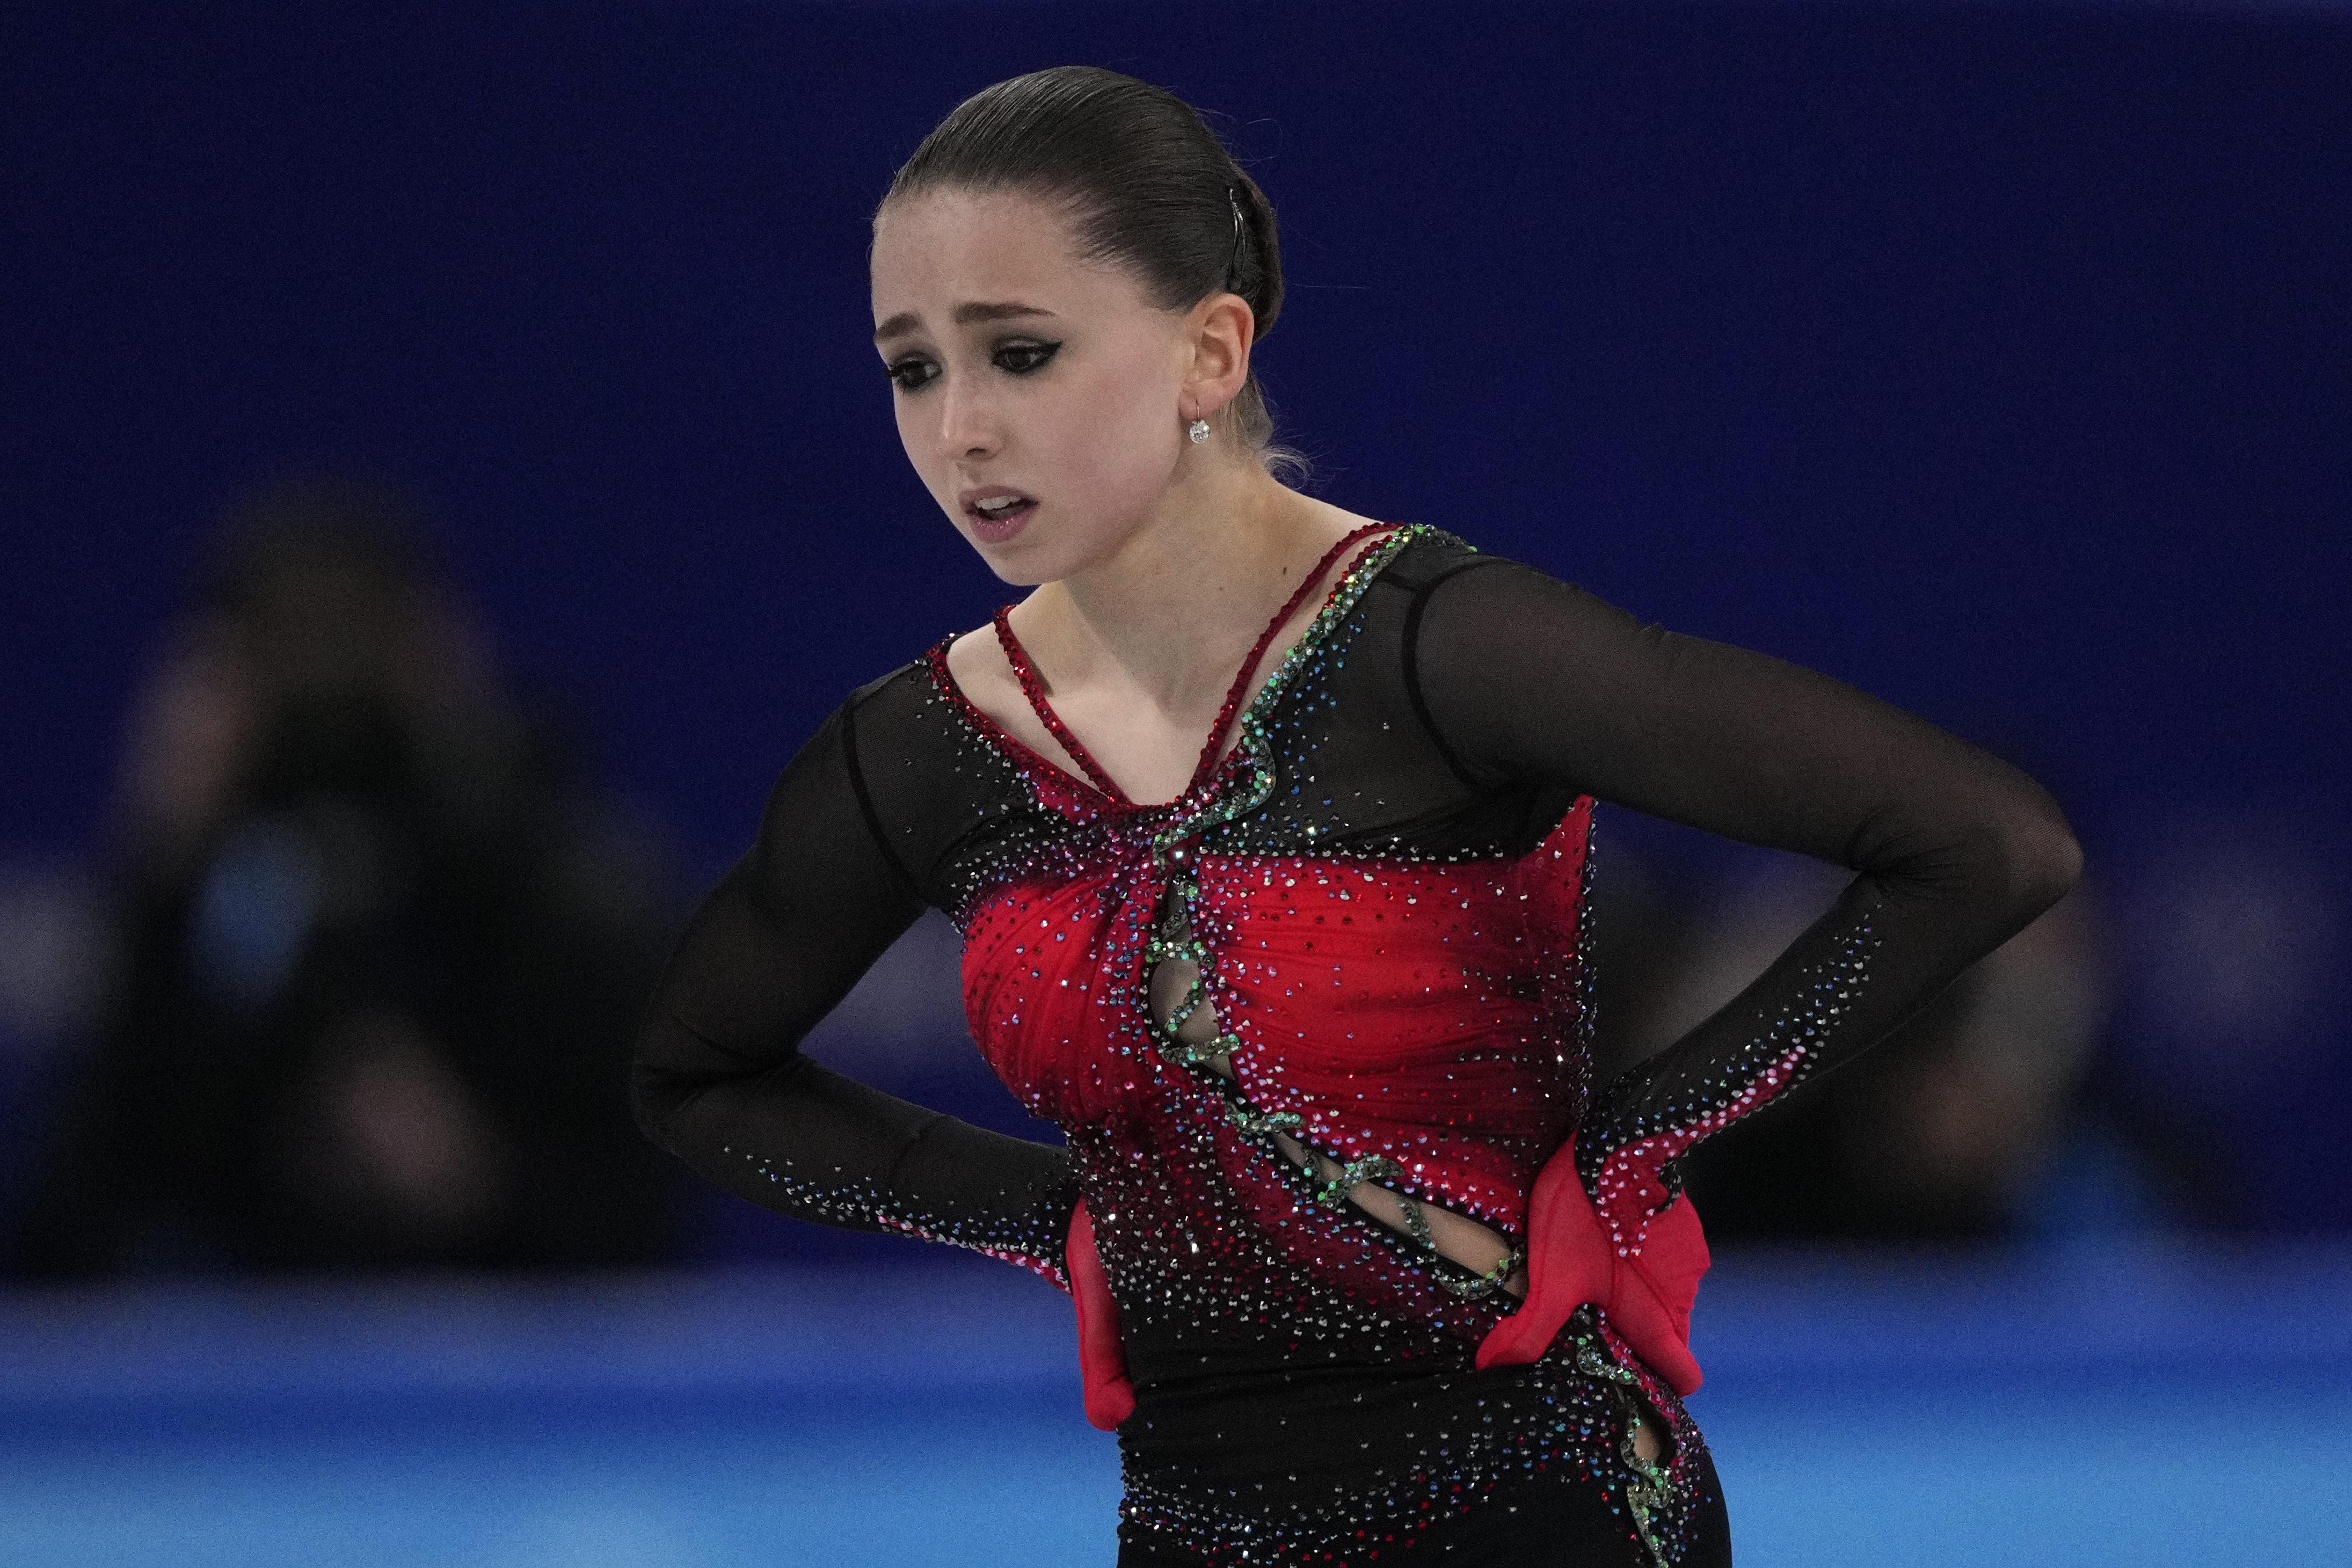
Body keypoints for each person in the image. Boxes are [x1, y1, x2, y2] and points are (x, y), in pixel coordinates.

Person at [631, 67, 2081, 1567]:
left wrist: (1631, 1151)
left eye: (1020, 353)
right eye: (912, 368)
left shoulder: (1435, 648)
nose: (960, 430)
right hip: (1203, 1523)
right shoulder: (929, 748)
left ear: (1209, 351)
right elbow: (698, 1074)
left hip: (1547, 1508)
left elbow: (1985, 842)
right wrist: (1055, 1223)